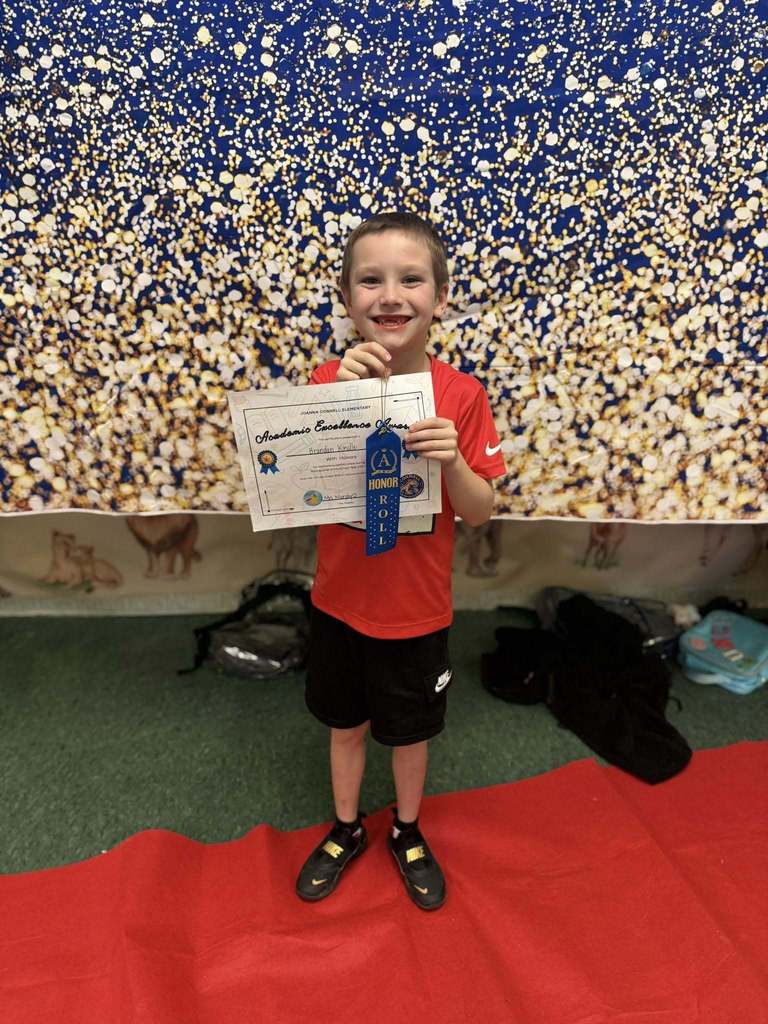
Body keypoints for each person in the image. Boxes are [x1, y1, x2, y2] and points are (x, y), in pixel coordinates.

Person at [295, 211, 506, 910]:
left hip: (417, 611)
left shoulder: (463, 396)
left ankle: (407, 830)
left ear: (440, 298)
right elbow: (294, 483)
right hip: (339, 603)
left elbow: (481, 510)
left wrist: (452, 463)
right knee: (345, 725)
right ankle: (347, 826)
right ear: (347, 298)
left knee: (410, 734)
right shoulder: (325, 381)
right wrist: (338, 400)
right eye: (370, 280)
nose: (390, 295)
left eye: (411, 279)